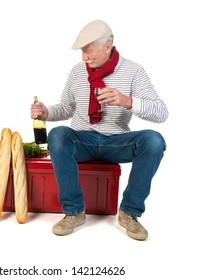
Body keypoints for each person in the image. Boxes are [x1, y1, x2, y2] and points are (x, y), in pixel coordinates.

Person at [30, 19, 168, 241]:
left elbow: (161, 113)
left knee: (154, 140)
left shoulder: (134, 71)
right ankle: (74, 211)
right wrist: (46, 113)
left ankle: (129, 213)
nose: (85, 57)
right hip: (82, 140)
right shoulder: (77, 72)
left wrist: (127, 101)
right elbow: (66, 108)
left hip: (117, 143)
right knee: (57, 135)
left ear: (107, 46)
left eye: (89, 51)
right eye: (82, 52)